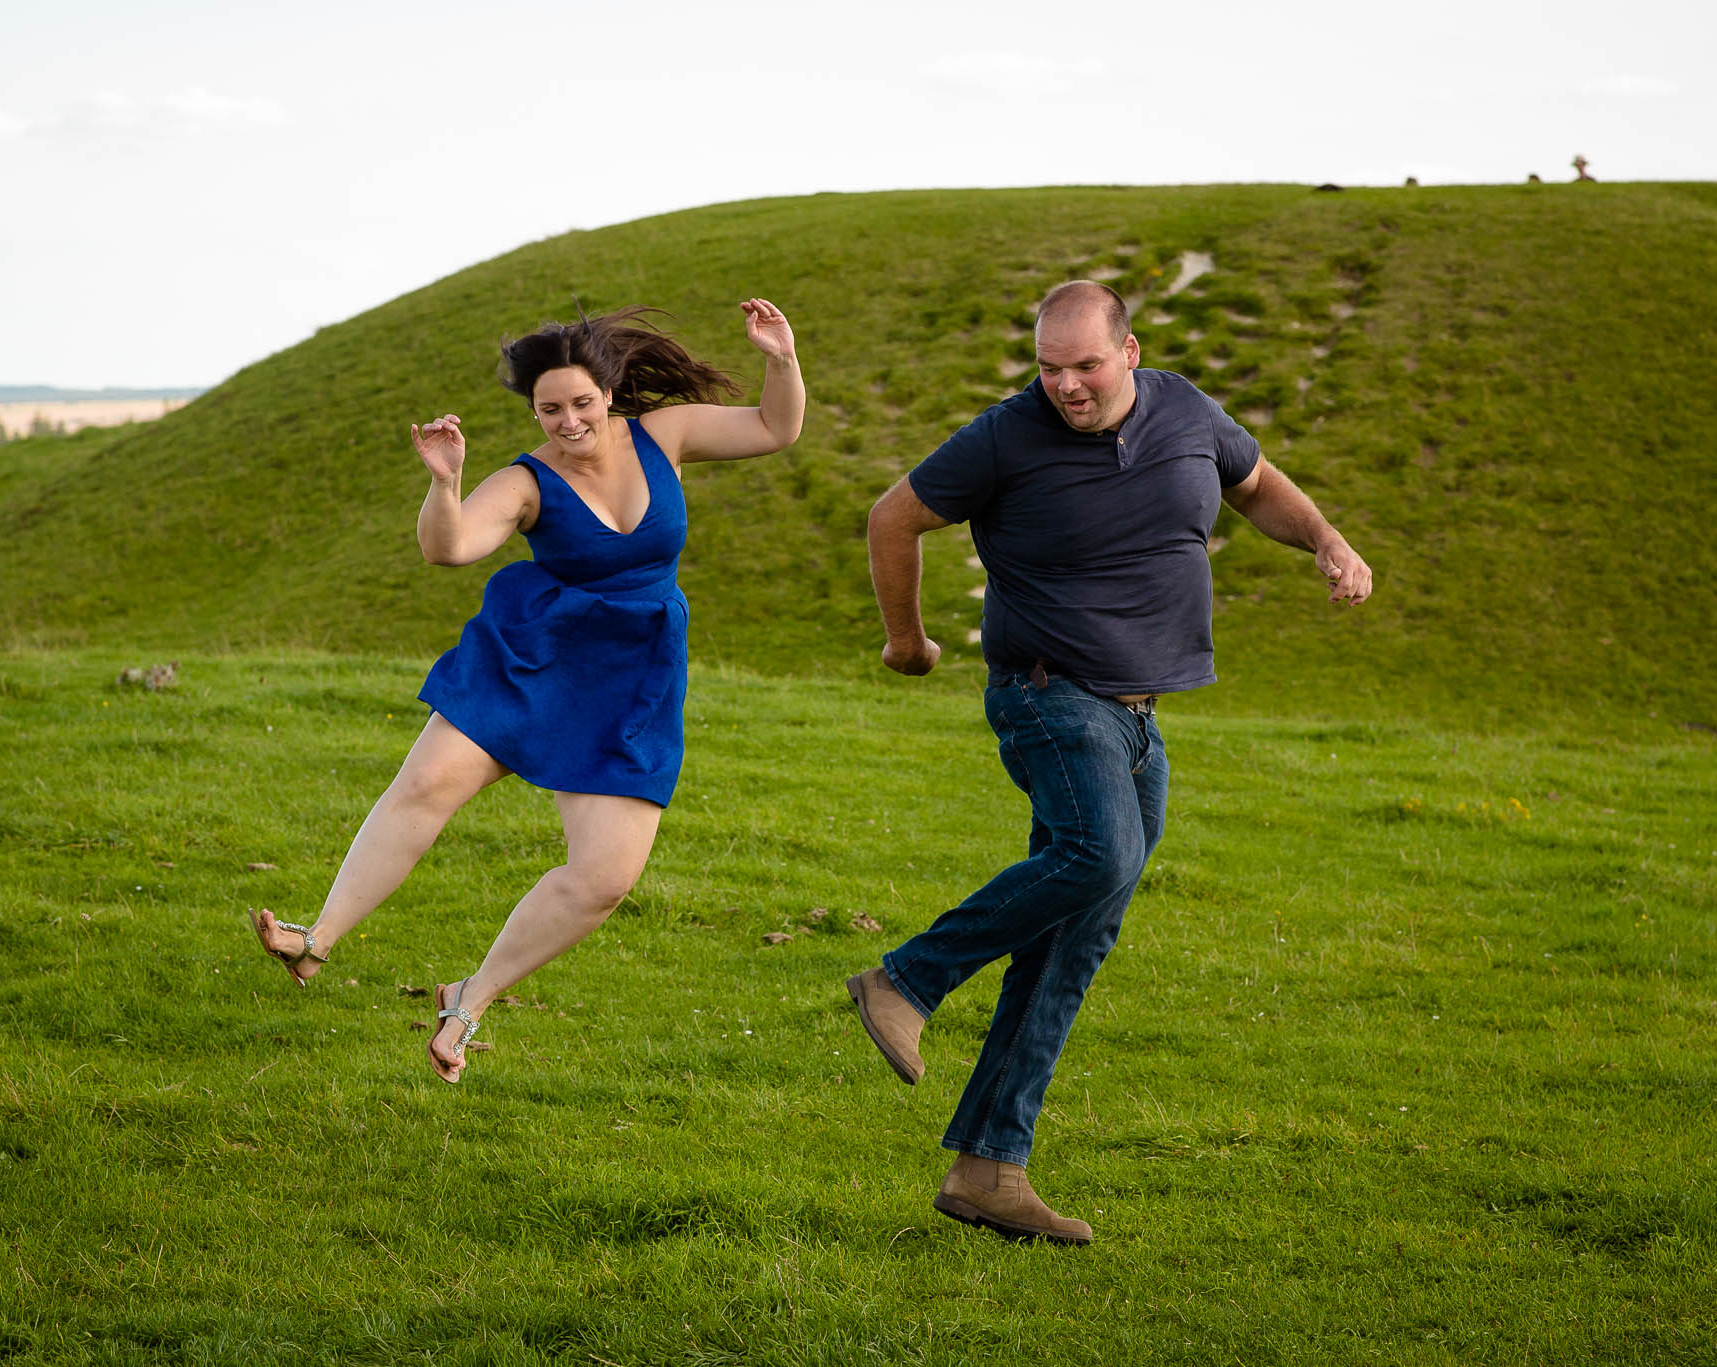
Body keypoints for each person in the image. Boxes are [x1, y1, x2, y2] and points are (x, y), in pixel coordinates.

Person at [848, 280, 1372, 1244]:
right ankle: (906, 981)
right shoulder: (1005, 435)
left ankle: (989, 1167)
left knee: (1075, 938)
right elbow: (894, 516)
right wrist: (906, 641)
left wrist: (1327, 540)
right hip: (1049, 692)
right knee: (1095, 854)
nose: (1065, 386)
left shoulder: (1186, 411)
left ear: (1129, 353)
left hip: (1140, 716)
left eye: (1084, 365)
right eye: (1048, 368)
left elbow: (1257, 488)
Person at [253, 299, 804, 1083]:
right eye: (550, 408)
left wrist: (779, 359)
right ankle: (317, 938)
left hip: (633, 674)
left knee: (605, 879)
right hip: (537, 653)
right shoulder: (525, 479)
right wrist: (445, 485)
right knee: (426, 783)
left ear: (609, 391)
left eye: (581, 402)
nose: (569, 421)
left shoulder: (665, 435)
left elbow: (774, 428)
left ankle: (467, 1001)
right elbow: (451, 548)